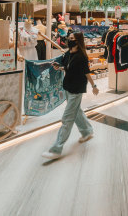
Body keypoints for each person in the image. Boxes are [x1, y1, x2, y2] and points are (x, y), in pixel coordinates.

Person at [42, 32, 99, 160]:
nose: (69, 40)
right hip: (68, 87)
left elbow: (86, 73)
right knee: (76, 111)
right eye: (69, 38)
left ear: (78, 41)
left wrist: (94, 86)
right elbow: (68, 68)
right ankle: (87, 131)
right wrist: (60, 68)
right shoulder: (68, 54)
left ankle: (56, 149)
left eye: (72, 38)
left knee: (67, 118)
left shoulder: (81, 56)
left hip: (76, 89)